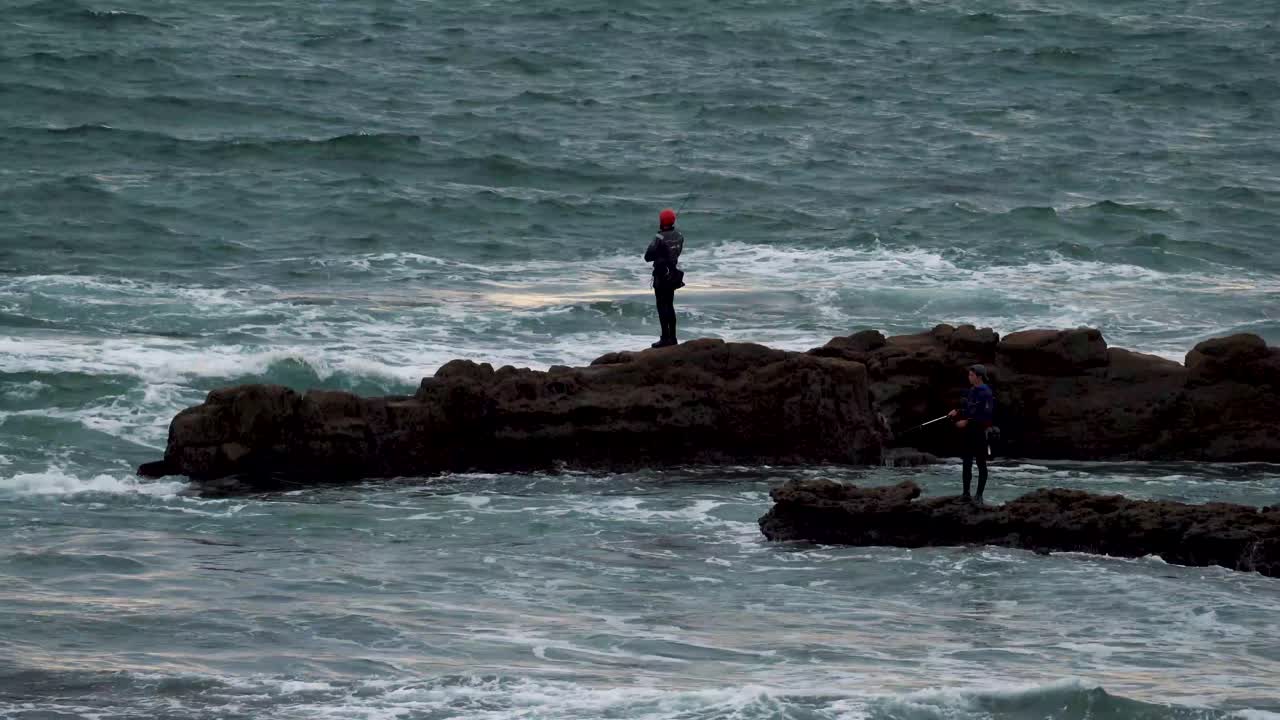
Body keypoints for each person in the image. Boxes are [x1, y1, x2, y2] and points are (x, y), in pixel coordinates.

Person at [948, 364, 994, 503]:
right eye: (969, 375)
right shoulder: (972, 390)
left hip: (980, 432)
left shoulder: (986, 392)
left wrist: (966, 422)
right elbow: (969, 408)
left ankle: (979, 496)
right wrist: (958, 411)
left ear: (979, 377)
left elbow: (986, 415)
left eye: (971, 375)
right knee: (966, 463)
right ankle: (966, 494)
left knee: (981, 463)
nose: (969, 377)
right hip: (969, 433)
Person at [644, 208, 685, 348]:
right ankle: (673, 338)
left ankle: (665, 338)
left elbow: (647, 257)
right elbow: (676, 252)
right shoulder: (679, 236)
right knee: (670, 306)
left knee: (662, 306)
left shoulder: (659, 237)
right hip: (673, 275)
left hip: (661, 276)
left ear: (661, 221)